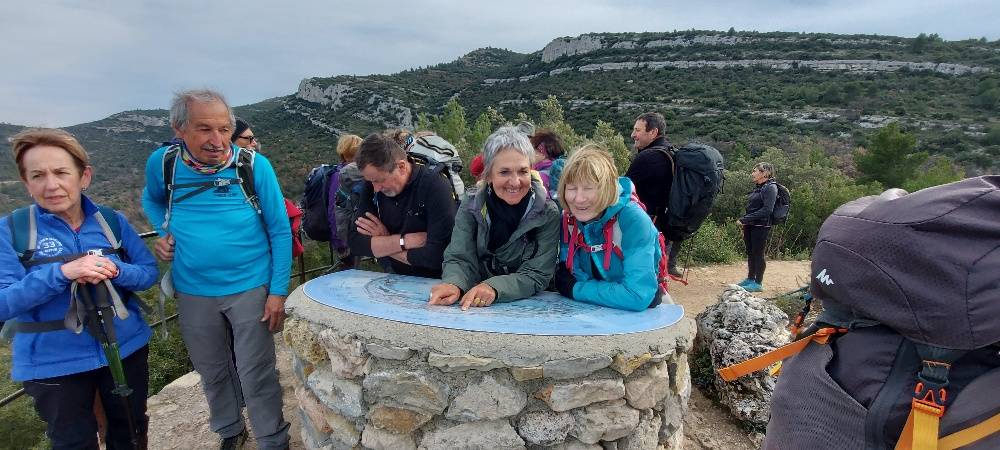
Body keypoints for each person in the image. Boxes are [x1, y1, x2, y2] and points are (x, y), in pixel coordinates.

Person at [142, 90, 291, 450]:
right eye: (204, 129)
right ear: (180, 129)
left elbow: (279, 228)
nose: (217, 140)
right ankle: (229, 430)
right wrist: (163, 232)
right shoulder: (162, 163)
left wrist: (278, 291)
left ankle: (272, 440)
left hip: (251, 285)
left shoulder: (253, 166)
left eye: (224, 129)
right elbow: (151, 198)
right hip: (192, 289)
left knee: (256, 372)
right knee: (211, 370)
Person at [1, 128, 158, 449]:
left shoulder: (111, 222)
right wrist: (62, 272)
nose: (51, 185)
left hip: (125, 348)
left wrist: (113, 269)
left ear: (83, 176)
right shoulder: (12, 231)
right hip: (52, 363)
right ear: (27, 183)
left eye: (61, 172)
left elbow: (147, 273)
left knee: (130, 430)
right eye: (38, 175)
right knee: (73, 442)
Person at [428, 126, 560, 310]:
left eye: (523, 171)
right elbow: (460, 256)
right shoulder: (471, 205)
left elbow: (537, 273)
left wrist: (494, 288)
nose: (515, 182)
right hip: (477, 305)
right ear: (489, 175)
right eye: (504, 172)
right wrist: (454, 284)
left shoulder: (547, 213)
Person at [553, 145, 666, 311]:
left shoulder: (633, 220)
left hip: (643, 315)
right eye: (571, 188)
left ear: (607, 189)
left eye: (588, 188)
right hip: (591, 312)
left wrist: (576, 290)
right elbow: (573, 275)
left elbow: (638, 295)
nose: (578, 198)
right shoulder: (569, 220)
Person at [347, 132, 456, 278]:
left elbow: (437, 257)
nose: (376, 188)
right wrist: (405, 241)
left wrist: (384, 241)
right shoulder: (373, 181)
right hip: (394, 276)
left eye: (380, 180)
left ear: (402, 167)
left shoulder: (435, 186)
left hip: (435, 281)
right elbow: (356, 243)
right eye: (371, 181)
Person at [625, 111, 683, 278]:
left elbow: (621, 188)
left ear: (653, 132)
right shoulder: (670, 152)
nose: (633, 134)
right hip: (665, 221)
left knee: (643, 269)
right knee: (656, 266)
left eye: (637, 130)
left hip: (647, 223)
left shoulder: (649, 157)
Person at [736, 162, 778, 292]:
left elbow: (767, 210)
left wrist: (744, 219)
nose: (752, 173)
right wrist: (746, 222)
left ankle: (758, 283)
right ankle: (750, 279)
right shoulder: (758, 187)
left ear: (764, 173)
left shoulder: (771, 188)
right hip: (750, 225)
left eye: (755, 171)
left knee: (758, 253)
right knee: (750, 252)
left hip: (761, 226)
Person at [331, 134, 363, 266]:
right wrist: (341, 244)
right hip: (345, 241)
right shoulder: (339, 176)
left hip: (352, 235)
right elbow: (333, 212)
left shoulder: (356, 174)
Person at [529, 129, 567, 200]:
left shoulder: (538, 178)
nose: (529, 153)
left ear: (542, 152)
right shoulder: (562, 170)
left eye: (532, 149)